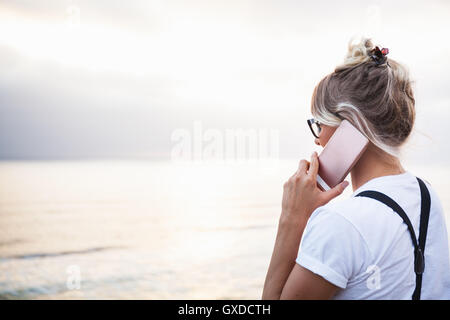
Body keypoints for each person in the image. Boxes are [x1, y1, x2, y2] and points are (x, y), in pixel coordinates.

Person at [262, 37, 450, 300]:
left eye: (319, 123)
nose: (317, 139)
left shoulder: (340, 222)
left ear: (350, 125)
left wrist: (291, 219)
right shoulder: (426, 195)